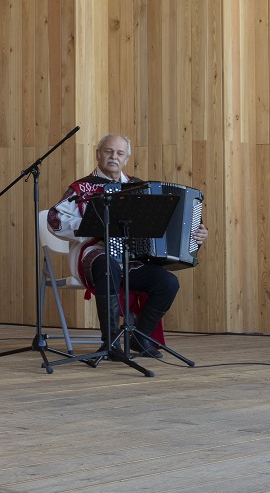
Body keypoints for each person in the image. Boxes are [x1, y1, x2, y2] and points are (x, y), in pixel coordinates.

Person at [47, 133, 207, 358]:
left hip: (132, 259)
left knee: (167, 283)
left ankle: (140, 338)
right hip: (95, 254)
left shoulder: (137, 187)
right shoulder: (83, 188)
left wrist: (195, 233)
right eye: (108, 151)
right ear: (98, 155)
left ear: (126, 159)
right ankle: (110, 343)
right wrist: (93, 224)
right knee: (107, 265)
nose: (114, 157)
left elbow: (166, 224)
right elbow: (55, 220)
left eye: (119, 153)